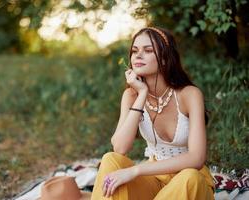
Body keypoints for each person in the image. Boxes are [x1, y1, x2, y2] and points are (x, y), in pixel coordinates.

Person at [90, 27, 215, 200]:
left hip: (189, 184)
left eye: (148, 50)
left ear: (164, 58)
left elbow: (196, 158)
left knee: (190, 177)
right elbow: (120, 147)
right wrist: (141, 95)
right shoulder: (131, 95)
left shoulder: (189, 95)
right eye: (135, 51)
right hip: (154, 181)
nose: (138, 55)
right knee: (110, 159)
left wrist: (136, 170)